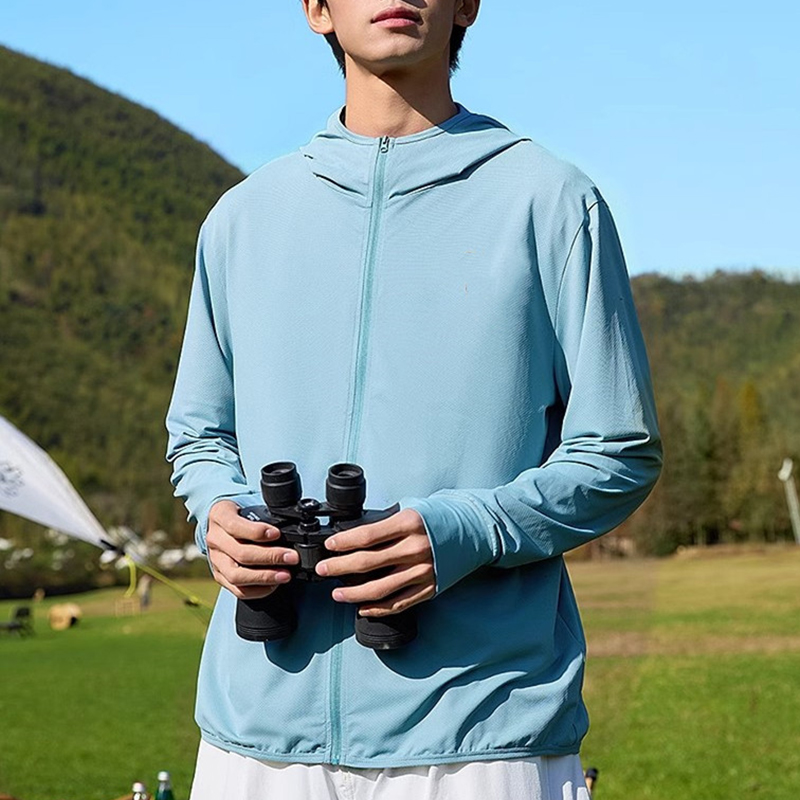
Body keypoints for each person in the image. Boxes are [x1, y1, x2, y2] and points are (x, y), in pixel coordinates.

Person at [165, 1, 663, 798]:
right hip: (257, 735)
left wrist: (469, 530)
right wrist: (220, 515)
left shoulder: (552, 202)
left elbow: (618, 449)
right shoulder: (242, 218)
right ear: (316, 9)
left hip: (482, 727)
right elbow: (198, 436)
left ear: (467, 4)